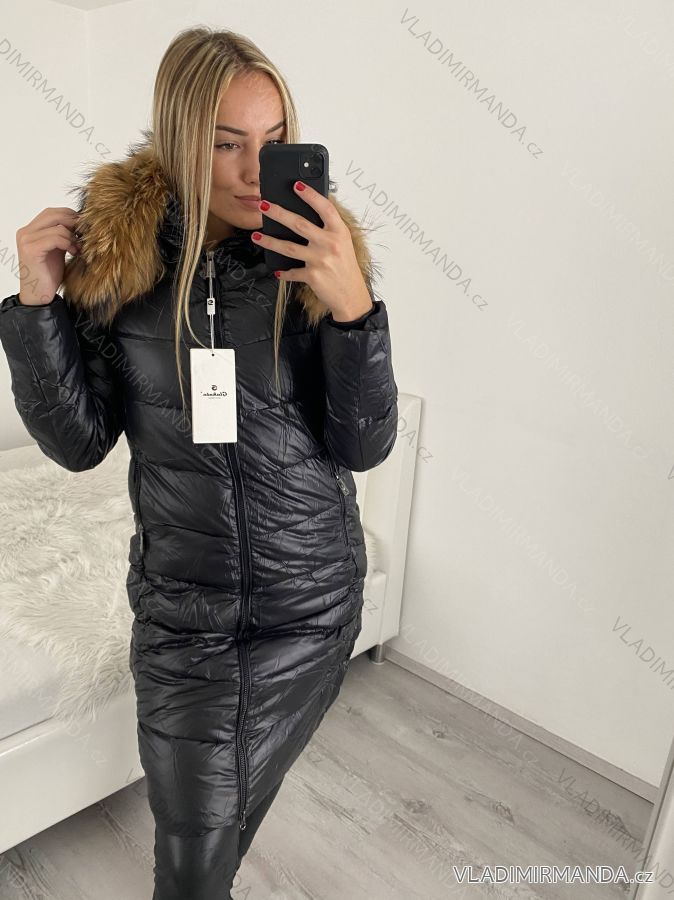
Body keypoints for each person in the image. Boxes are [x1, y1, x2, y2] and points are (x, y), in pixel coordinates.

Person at [0, 25, 398, 900]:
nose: (255, 171)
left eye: (272, 139)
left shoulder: (319, 258)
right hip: (184, 620)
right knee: (191, 862)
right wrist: (35, 308)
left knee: (202, 858)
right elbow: (77, 444)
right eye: (225, 144)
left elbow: (363, 444)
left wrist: (355, 312)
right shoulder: (121, 260)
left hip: (309, 606)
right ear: (181, 139)